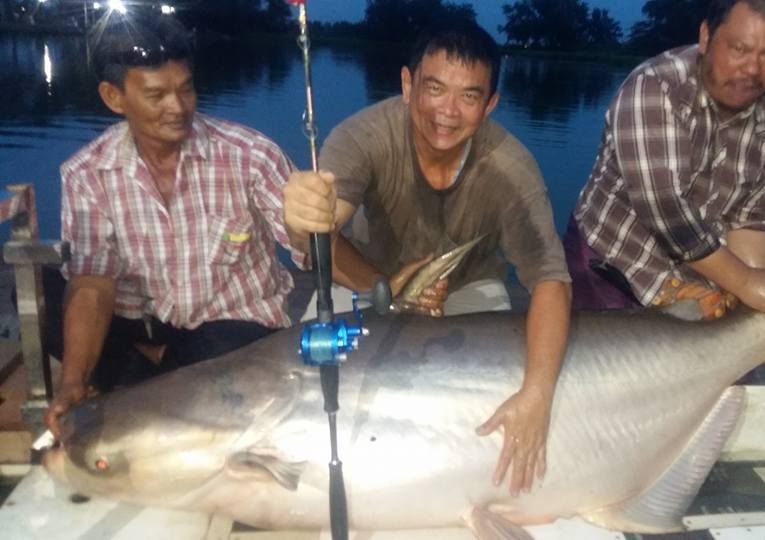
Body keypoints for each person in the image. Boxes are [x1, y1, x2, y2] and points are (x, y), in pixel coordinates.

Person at [282, 22, 572, 496]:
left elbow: (549, 281)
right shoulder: (363, 137)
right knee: (304, 372)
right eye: (434, 88)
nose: (447, 112)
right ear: (406, 84)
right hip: (364, 281)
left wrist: (538, 393)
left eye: (469, 96)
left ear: (491, 105)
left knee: (511, 387)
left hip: (467, 291)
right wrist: (304, 218)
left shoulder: (511, 167)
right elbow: (320, 237)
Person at [43, 15, 307, 437]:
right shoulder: (86, 172)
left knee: (222, 350)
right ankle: (160, 374)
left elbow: (305, 242)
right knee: (50, 294)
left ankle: (144, 380)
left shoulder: (250, 154)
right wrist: (72, 380)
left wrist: (310, 222)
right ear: (114, 97)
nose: (178, 107)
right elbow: (93, 280)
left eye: (186, 89)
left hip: (230, 328)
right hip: (142, 320)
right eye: (156, 94)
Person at [565, 0, 765, 329]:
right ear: (706, 36)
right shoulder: (654, 87)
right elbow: (666, 211)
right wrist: (746, 284)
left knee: (739, 355)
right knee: (606, 371)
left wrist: (759, 306)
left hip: (707, 271)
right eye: (739, 49)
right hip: (611, 262)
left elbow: (751, 221)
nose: (753, 69)